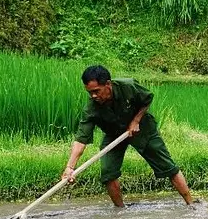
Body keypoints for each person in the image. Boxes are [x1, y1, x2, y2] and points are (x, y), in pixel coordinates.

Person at [63, 65, 194, 207]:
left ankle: (191, 204)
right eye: (90, 92)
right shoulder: (91, 109)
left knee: (168, 166)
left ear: (108, 84)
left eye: (96, 91)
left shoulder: (128, 86)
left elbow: (147, 98)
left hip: (142, 129)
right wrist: (70, 167)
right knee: (108, 173)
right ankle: (120, 211)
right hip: (113, 135)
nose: (93, 96)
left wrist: (136, 120)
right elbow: (81, 140)